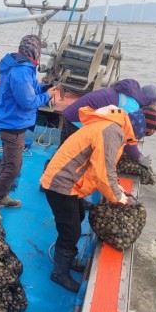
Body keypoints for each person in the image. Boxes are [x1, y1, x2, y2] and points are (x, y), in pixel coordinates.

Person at [40, 105, 135, 293]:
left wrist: (116, 187)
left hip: (67, 183)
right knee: (71, 230)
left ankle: (68, 258)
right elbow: (103, 172)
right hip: (61, 184)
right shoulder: (111, 132)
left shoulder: (108, 127)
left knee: (78, 217)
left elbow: (101, 165)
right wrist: (118, 197)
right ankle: (59, 273)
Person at [0, 34, 57, 219]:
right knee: (13, 168)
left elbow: (31, 87)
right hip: (13, 125)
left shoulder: (21, 65)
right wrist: (47, 96)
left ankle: (3, 196)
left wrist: (43, 88)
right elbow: (27, 102)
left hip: (13, 122)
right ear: (35, 51)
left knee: (8, 163)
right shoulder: (21, 71)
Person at [60, 79, 156, 167]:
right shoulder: (131, 107)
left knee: (63, 151)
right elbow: (126, 134)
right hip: (79, 119)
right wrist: (138, 157)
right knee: (73, 157)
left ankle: (54, 167)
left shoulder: (130, 94)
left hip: (73, 113)